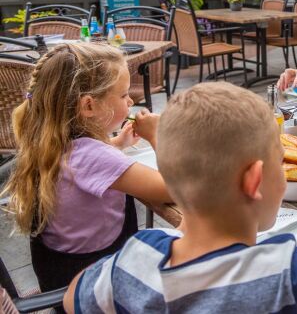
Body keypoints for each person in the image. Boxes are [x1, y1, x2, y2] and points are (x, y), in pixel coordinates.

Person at [63, 82, 297, 313]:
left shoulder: (137, 255)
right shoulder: (292, 275)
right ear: (256, 180)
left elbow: (72, 296)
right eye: (281, 162)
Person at [1, 43, 171, 293]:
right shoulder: (96, 157)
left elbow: (83, 163)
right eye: (123, 95)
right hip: (98, 289)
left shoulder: (50, 142)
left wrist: (118, 143)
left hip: (62, 279)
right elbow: (172, 189)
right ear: (89, 106)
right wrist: (158, 136)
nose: (131, 100)